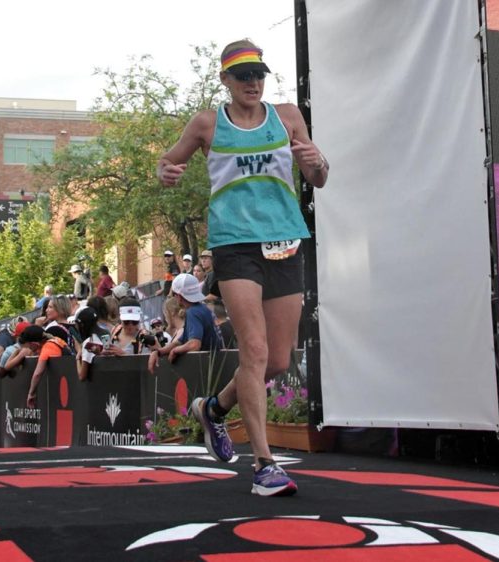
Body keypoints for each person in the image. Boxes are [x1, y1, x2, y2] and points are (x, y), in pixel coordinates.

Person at [157, 39, 329, 496]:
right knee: (252, 350)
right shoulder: (207, 124)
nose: (253, 83)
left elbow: (318, 176)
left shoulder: (288, 116)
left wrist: (317, 162)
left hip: (286, 240)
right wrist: (165, 172)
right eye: (243, 76)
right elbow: (167, 163)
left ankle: (213, 409)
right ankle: (264, 465)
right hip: (234, 245)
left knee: (276, 359)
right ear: (225, 80)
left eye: (259, 75)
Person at [147, 274, 223, 368]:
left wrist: (176, 350)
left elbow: (194, 344)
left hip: (207, 368)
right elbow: (179, 342)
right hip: (215, 364)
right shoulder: (202, 309)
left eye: (174, 294)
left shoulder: (193, 312)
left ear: (178, 296)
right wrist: (159, 352)